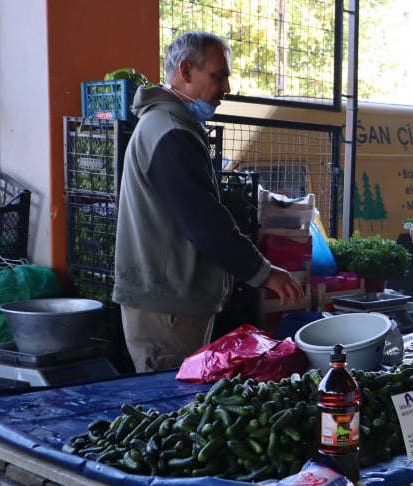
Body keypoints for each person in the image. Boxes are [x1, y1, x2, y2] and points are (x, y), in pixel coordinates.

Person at [113, 31, 304, 372]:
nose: (226, 88)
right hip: (168, 306)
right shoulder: (170, 131)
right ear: (186, 71)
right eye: (218, 76)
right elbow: (204, 221)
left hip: (171, 302)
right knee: (172, 408)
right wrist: (262, 272)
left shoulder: (167, 125)